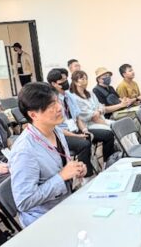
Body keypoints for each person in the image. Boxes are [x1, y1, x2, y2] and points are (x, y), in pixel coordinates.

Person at [9, 83, 87, 228]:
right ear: (33, 115)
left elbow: (60, 166)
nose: (59, 108)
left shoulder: (55, 130)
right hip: (43, 217)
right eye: (51, 105)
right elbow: (24, 201)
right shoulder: (24, 150)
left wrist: (75, 170)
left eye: (57, 101)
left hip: (65, 202)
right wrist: (61, 177)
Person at [46, 69, 95, 176]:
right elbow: (56, 129)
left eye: (66, 79)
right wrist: (77, 136)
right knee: (84, 144)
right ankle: (86, 176)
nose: (66, 82)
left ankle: (93, 165)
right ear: (53, 84)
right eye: (62, 81)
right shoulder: (52, 102)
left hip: (75, 129)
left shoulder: (69, 96)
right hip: (63, 134)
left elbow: (78, 118)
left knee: (99, 135)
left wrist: (85, 130)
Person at [70, 71, 117, 160]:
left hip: (99, 119)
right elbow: (88, 115)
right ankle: (109, 160)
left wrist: (98, 111)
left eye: (86, 78)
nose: (85, 81)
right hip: (88, 125)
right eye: (82, 79)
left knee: (118, 125)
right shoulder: (73, 97)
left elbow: (100, 106)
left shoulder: (90, 93)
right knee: (111, 132)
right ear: (76, 82)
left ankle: (124, 152)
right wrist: (97, 112)